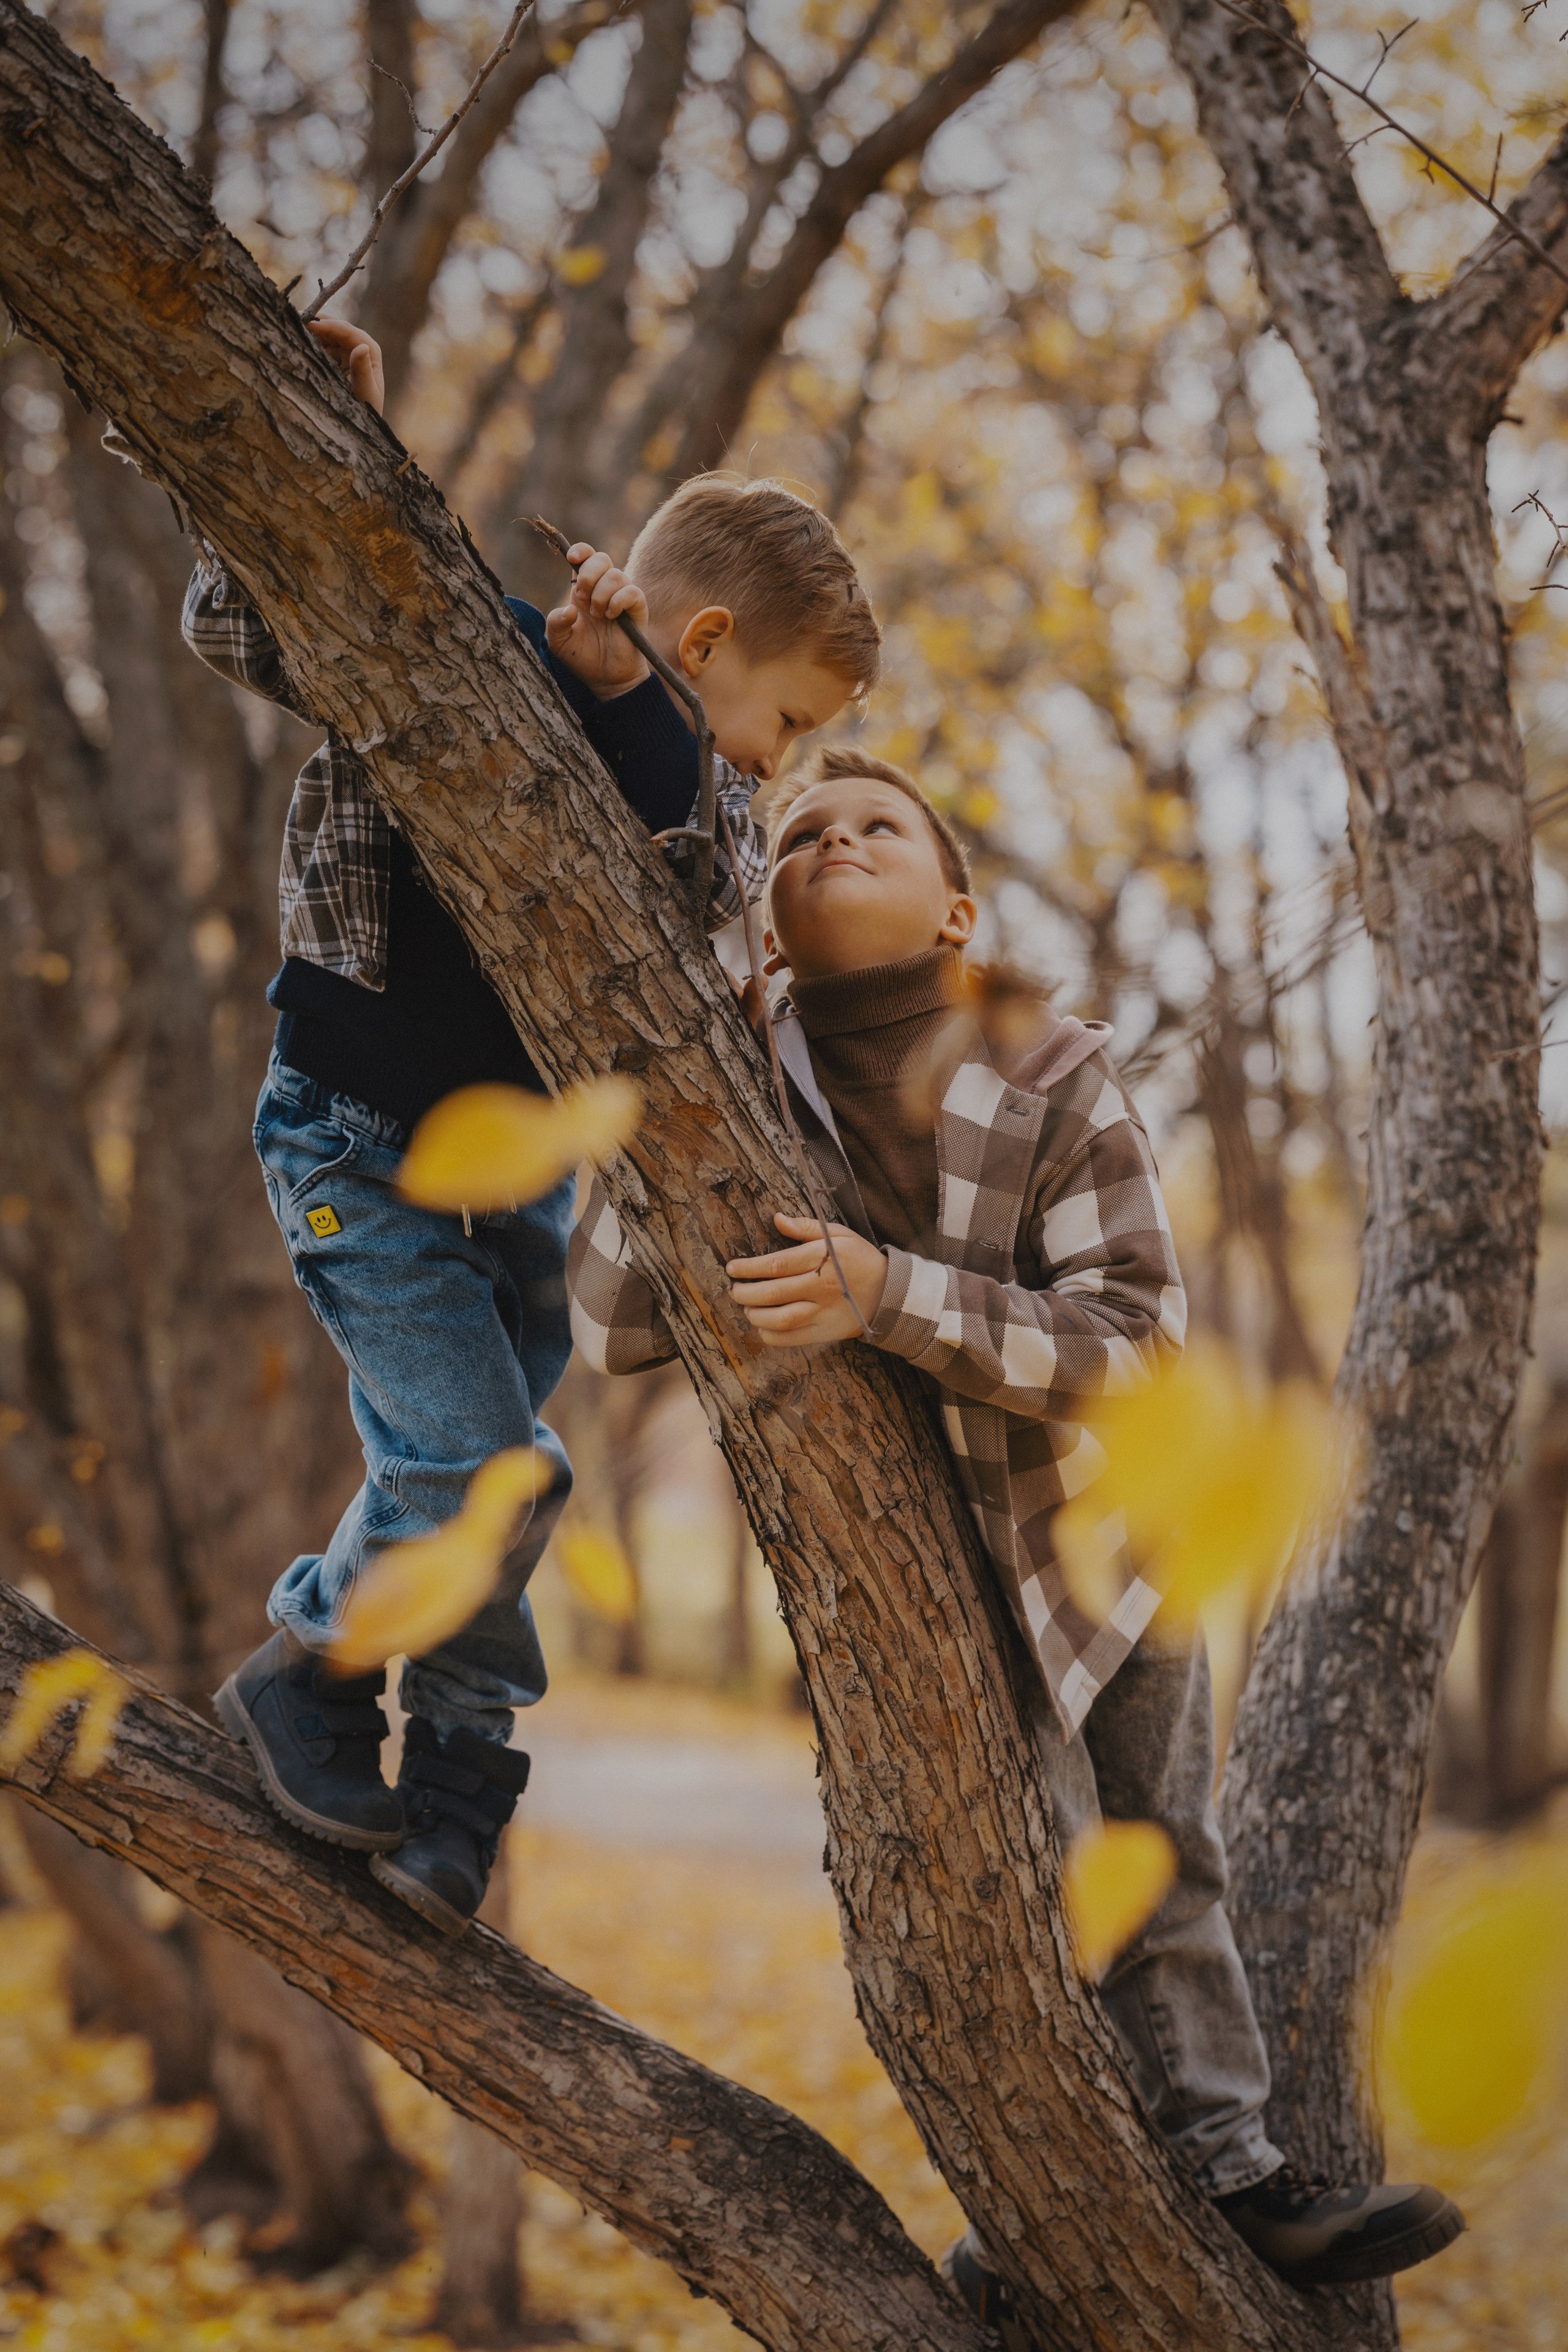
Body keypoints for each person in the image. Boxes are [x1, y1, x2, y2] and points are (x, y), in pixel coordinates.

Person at [566, 744, 1464, 2302]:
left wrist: (884, 1293)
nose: (833, 841)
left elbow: (1134, 1339)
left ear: (958, 912)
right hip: (910, 1565)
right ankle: (1032, 2215)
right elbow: (612, 1328)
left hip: (1095, 1543)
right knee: (1004, 1892)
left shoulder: (1049, 1070)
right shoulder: (721, 1065)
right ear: (762, 915)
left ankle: (1235, 2172)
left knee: (1151, 1851)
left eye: (877, 827)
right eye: (800, 835)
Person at [183, 317, 881, 1934]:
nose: (777, 773)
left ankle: (446, 1789)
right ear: (709, 639)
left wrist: (635, 709)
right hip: (358, 1138)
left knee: (479, 1478)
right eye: (783, 723)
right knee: (488, 1469)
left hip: (522, 1201)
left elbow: (699, 894)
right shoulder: (467, 645)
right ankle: (315, 1669)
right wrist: (319, 442)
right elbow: (240, 621)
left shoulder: (695, 788)